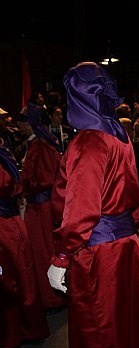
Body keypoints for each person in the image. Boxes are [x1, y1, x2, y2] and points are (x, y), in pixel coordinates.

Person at [48, 62, 139, 348]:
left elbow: (80, 208)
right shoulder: (118, 136)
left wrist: (62, 255)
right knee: (119, 322)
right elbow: (134, 193)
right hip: (123, 243)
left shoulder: (88, 142)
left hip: (97, 248)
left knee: (99, 326)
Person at [0, 141, 49, 348]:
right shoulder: (5, 152)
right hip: (9, 226)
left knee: (9, 284)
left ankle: (11, 340)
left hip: (5, 227)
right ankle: (24, 331)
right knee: (20, 279)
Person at [16, 103, 66, 315]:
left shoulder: (41, 146)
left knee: (43, 251)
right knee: (40, 251)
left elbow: (45, 179)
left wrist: (21, 183)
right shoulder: (36, 144)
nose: (19, 125)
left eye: (23, 121)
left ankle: (52, 299)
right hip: (37, 206)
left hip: (42, 208)